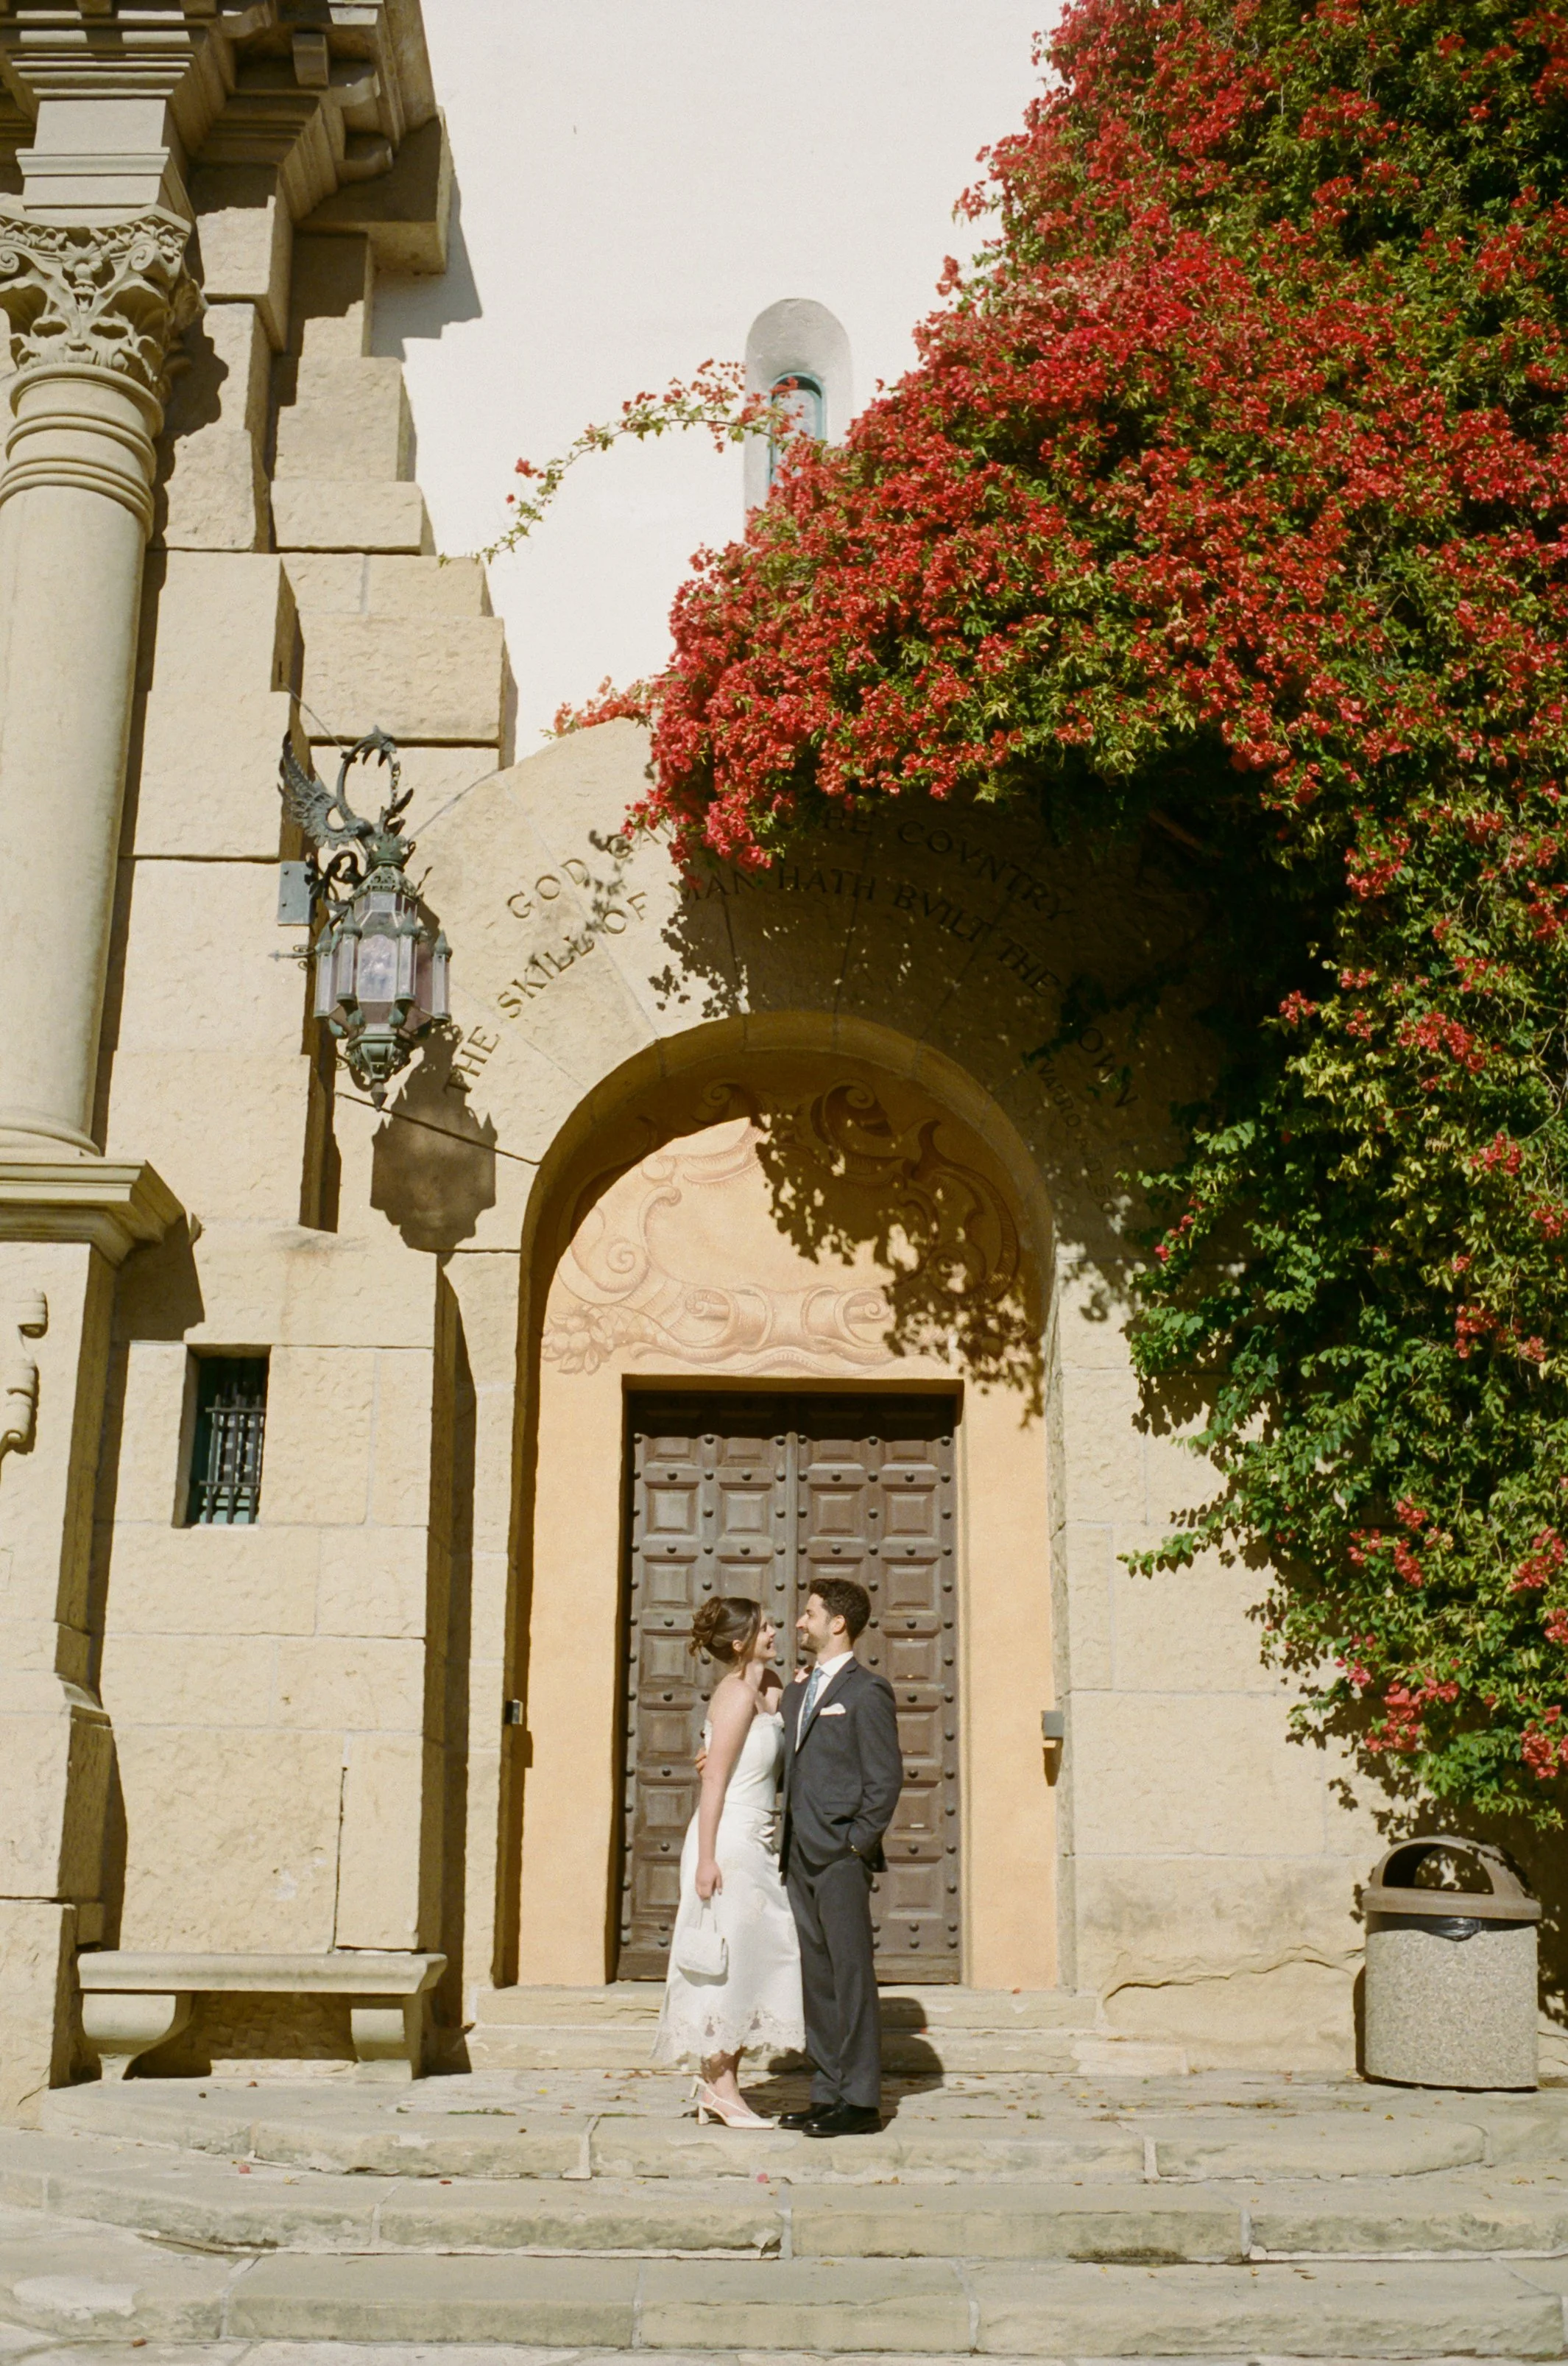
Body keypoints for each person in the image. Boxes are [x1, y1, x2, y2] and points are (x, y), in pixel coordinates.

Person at [651, 1596, 805, 2124]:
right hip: (729, 1841)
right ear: (740, 1643)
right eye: (764, 1627)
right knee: (725, 1961)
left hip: (758, 1840)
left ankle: (719, 2084)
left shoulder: (769, 1687)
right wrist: (706, 1858)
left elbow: (787, 1726)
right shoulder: (736, 1694)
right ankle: (721, 2088)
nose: (774, 1630)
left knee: (753, 1957)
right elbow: (714, 1779)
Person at [777, 1577, 904, 2137]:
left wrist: (856, 1843)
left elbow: (885, 1779)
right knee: (818, 1979)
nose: (799, 1622)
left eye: (808, 1614)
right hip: (797, 1854)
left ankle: (861, 2101)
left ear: (837, 1623)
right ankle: (827, 2091)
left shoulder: (868, 1691)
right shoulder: (797, 1691)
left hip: (839, 1857)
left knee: (851, 1977)